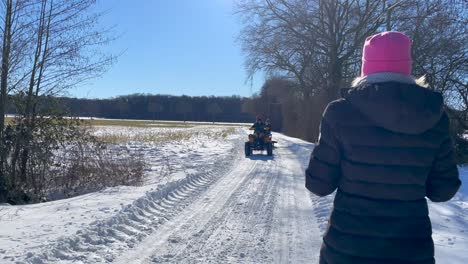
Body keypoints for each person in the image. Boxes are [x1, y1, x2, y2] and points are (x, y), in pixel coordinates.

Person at [305, 31, 461, 264]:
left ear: (366, 67)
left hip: (348, 252)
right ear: (406, 67)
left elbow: (319, 184)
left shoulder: (340, 113)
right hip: (411, 253)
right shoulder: (434, 116)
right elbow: (443, 190)